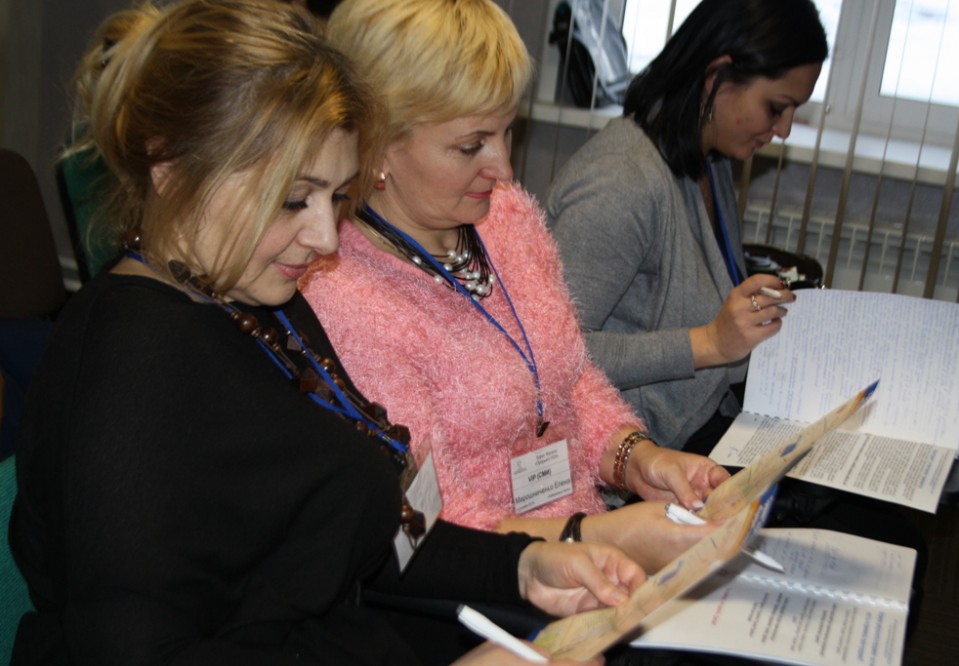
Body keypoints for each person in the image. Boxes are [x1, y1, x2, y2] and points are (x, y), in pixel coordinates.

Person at [7, 2, 647, 664]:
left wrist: (520, 567)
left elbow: (368, 534)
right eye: (293, 199)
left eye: (337, 198)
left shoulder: (254, 298)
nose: (323, 238)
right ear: (170, 166)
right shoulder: (128, 368)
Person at [301, 0, 728, 581]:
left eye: (507, 132)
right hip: (493, 585)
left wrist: (637, 460)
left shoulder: (505, 219)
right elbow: (431, 526)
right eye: (471, 145)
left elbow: (568, 378)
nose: (503, 167)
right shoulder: (344, 296)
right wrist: (598, 536)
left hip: (586, 547)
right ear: (376, 144)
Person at [545, 0, 826, 457]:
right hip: (638, 455)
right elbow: (551, 355)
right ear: (717, 77)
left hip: (705, 419)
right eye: (776, 107)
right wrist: (709, 343)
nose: (785, 129)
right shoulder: (620, 181)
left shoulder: (709, 160)